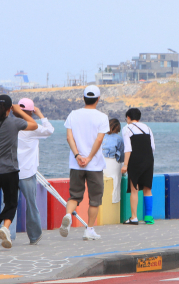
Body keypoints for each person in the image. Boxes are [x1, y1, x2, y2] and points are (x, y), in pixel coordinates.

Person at [0, 95, 38, 251]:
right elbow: (34, 125)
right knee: (11, 202)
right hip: (10, 171)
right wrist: (20, 111)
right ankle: (6, 227)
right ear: (10, 109)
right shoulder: (15, 123)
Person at [59, 85, 108, 240]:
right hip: (94, 165)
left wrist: (78, 155)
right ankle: (89, 230)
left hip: (76, 164)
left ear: (83, 98)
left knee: (74, 195)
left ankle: (68, 215)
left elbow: (69, 137)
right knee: (94, 199)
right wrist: (89, 158)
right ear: (98, 99)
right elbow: (99, 139)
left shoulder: (73, 114)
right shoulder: (102, 117)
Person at [9, 98, 54, 244]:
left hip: (9, 170)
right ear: (31, 112)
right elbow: (49, 130)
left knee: (9, 204)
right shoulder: (32, 128)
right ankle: (34, 236)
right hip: (27, 172)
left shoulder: (9, 125)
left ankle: (8, 234)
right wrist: (41, 115)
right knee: (31, 204)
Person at [121, 108, 155, 225]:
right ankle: (149, 217)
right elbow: (152, 147)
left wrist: (125, 165)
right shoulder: (148, 128)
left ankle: (134, 217)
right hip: (148, 159)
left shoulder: (126, 128)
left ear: (128, 118)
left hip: (135, 160)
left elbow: (128, 149)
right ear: (139, 118)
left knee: (134, 188)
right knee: (147, 188)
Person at [102, 119, 124, 204]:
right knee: (118, 175)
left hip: (101, 163)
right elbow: (122, 155)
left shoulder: (101, 136)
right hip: (112, 164)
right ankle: (115, 199)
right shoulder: (119, 138)